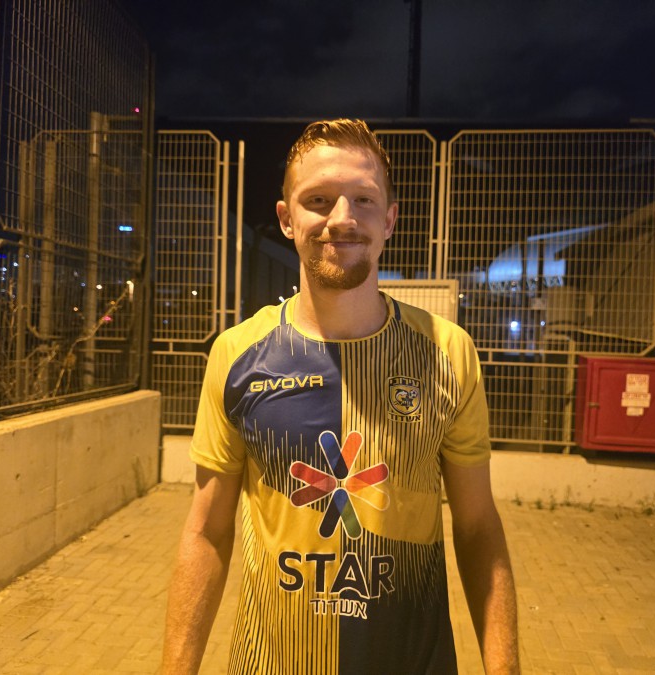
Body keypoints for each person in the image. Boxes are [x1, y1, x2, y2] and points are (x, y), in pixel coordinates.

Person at [162, 119, 519, 674]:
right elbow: (206, 531)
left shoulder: (448, 353)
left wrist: (504, 668)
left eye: (364, 199)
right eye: (319, 200)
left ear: (390, 219)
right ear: (287, 218)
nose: (342, 218)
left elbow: (477, 528)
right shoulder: (237, 355)